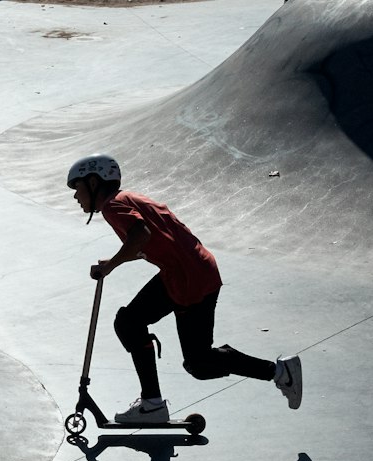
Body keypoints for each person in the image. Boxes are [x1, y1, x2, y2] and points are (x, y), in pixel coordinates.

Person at [67, 153, 302, 425]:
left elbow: (140, 236)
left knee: (138, 328)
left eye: (78, 188)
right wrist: (115, 260)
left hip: (187, 277)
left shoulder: (113, 206)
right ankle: (280, 372)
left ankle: (153, 403)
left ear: (94, 182)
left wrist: (111, 266)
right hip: (193, 270)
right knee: (197, 362)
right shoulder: (127, 199)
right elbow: (153, 242)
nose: (75, 197)